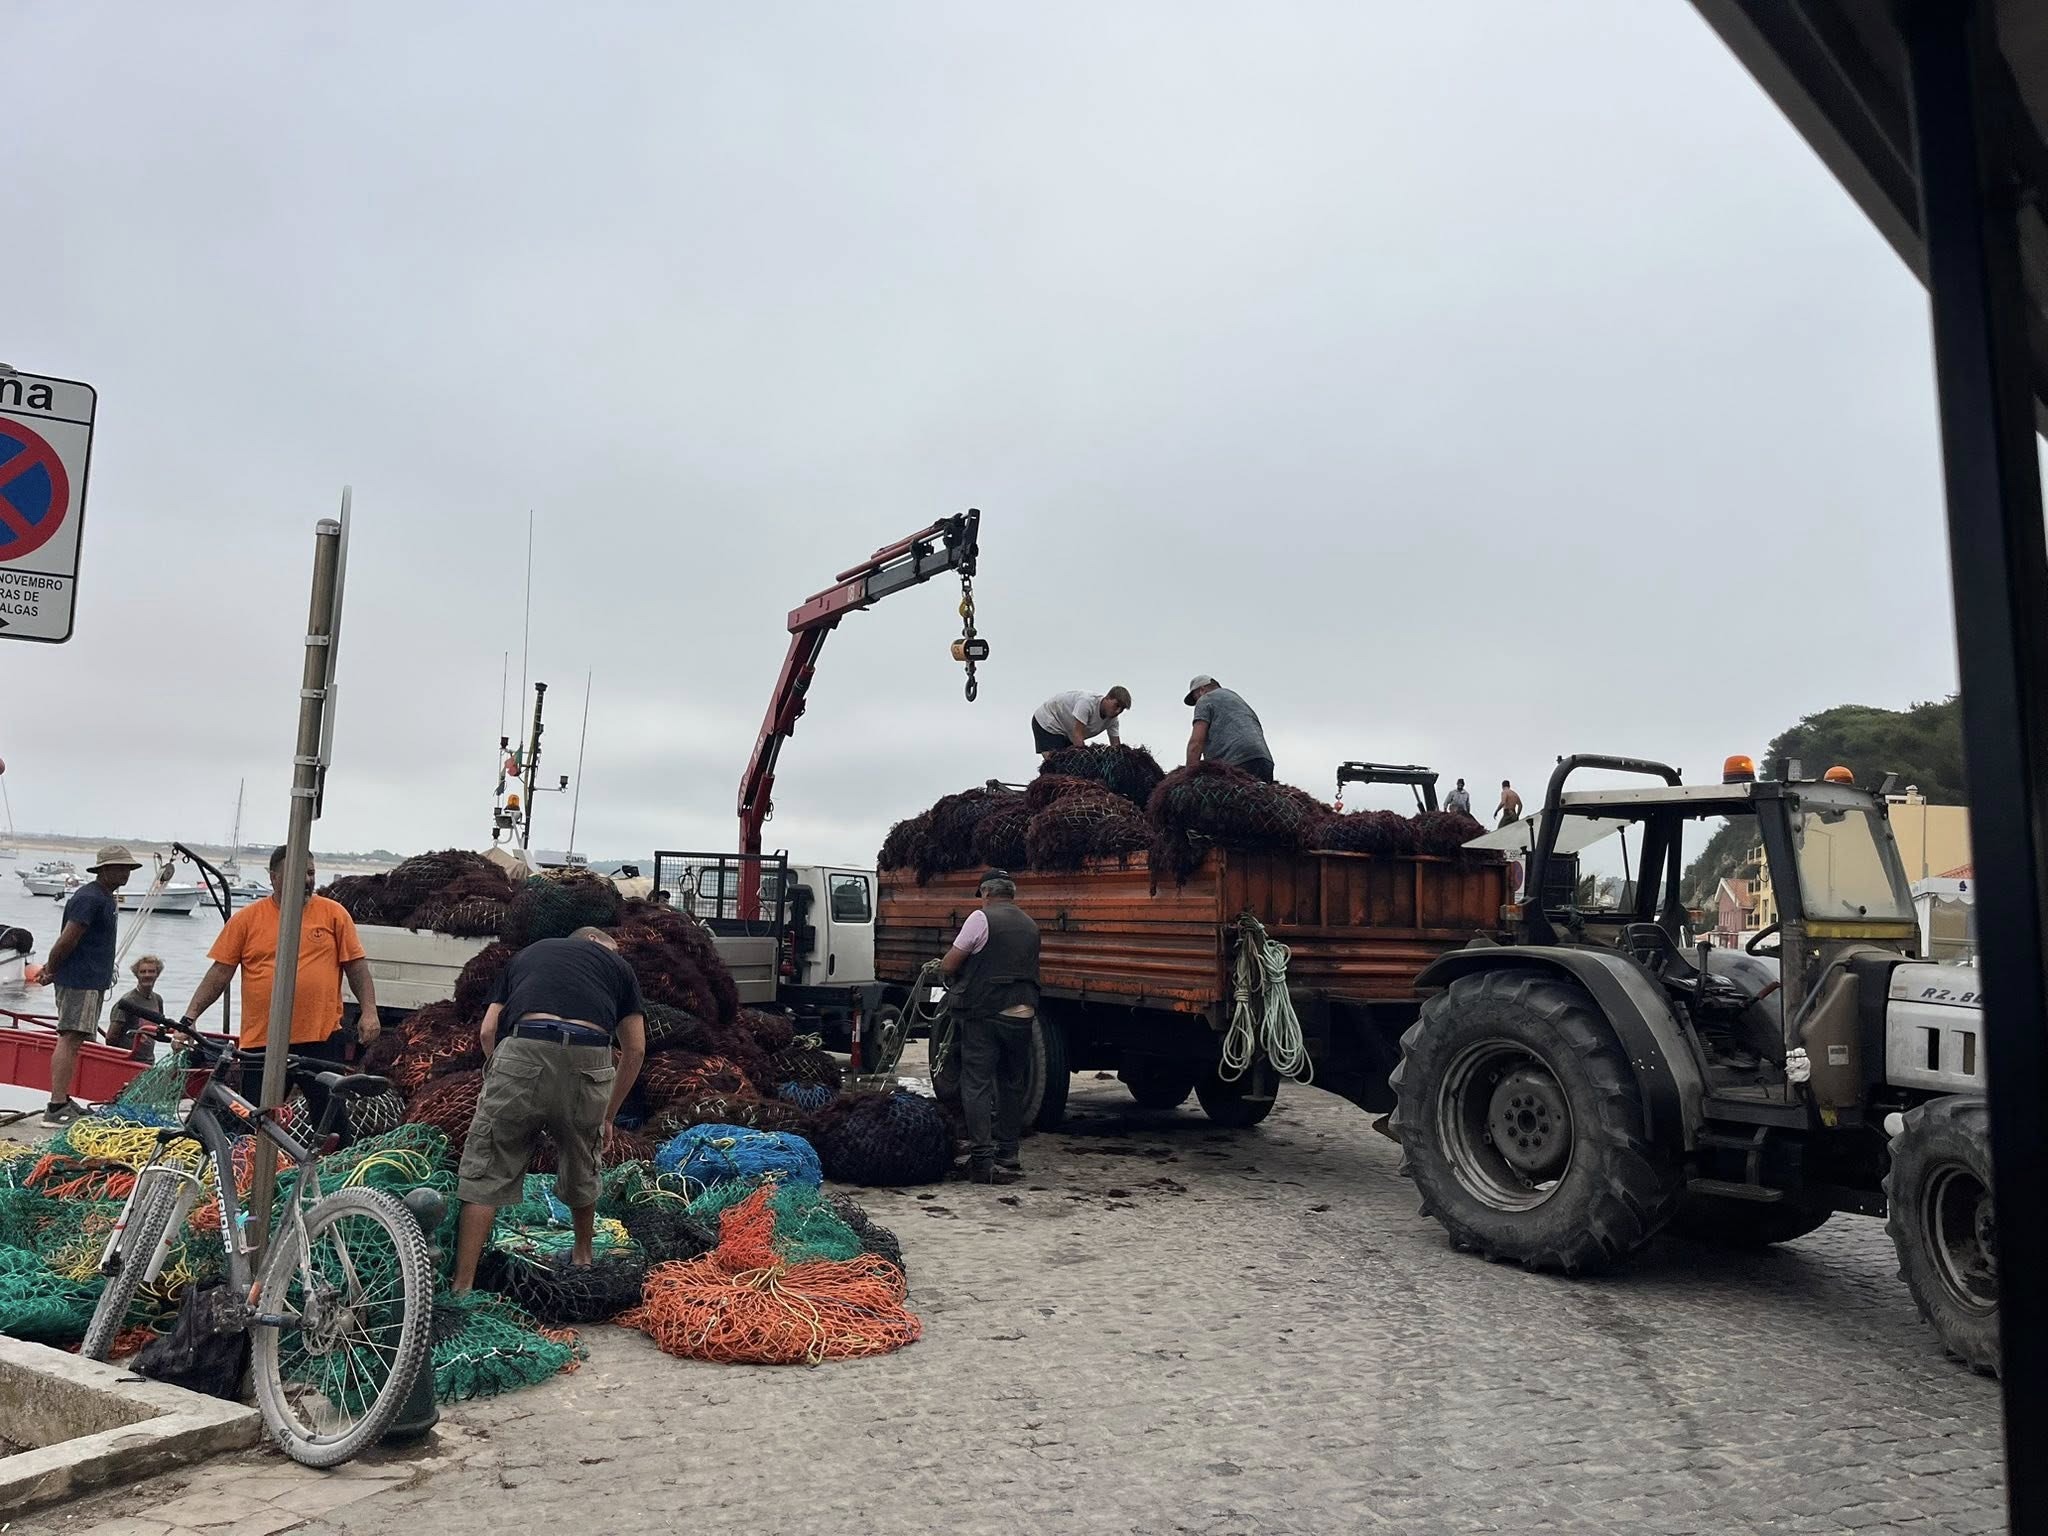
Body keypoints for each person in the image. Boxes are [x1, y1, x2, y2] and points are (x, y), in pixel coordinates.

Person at [451, 927, 647, 1288]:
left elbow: (487, 1030)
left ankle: (463, 1285)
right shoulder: (617, 967)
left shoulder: (529, 953)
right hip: (588, 1058)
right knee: (582, 1159)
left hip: (522, 1048)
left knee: (487, 1166)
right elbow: (635, 1049)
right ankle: (583, 1258)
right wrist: (608, 1116)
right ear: (592, 941)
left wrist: (503, 1073)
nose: (613, 954)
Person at [179, 845, 379, 1140]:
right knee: (255, 1123)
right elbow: (220, 973)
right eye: (298, 873)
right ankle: (255, 1167)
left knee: (332, 1125)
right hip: (263, 1042)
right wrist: (189, 1018)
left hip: (321, 1039)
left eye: (310, 873)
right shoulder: (248, 919)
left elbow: (357, 966)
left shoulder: (333, 914)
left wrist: (369, 1011)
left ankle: (333, 1168)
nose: (307, 880)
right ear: (274, 878)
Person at [941, 869, 1041, 1185]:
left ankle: (982, 1159)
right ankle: (1009, 1151)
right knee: (1012, 1082)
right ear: (1011, 893)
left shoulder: (980, 919)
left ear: (986, 892)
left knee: (977, 1083)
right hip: (1023, 1013)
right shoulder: (1030, 924)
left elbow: (951, 963)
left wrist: (945, 968)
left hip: (985, 1012)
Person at [37, 845, 142, 1127]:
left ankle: (62, 1099)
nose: (126, 872)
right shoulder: (90, 898)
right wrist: (51, 969)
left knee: (76, 1039)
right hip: (79, 980)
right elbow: (67, 939)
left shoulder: (105, 897)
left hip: (91, 980)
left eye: (128, 868)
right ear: (104, 869)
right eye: (120, 867)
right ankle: (56, 1105)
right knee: (70, 1037)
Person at [1182, 676, 1275, 783]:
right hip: (1265, 762)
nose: (1197, 702)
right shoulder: (1236, 699)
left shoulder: (1205, 699)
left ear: (1202, 690)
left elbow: (1196, 742)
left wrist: (1188, 777)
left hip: (1237, 762)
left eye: (1195, 698)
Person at [1032, 687, 1131, 756]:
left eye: (1122, 709)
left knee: (1068, 766)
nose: (1118, 711)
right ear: (1107, 698)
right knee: (1055, 763)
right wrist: (1084, 758)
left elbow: (1115, 746)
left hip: (1068, 733)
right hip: (1049, 722)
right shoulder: (1087, 703)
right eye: (1117, 705)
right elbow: (1077, 734)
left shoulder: (1113, 721)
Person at [106, 954, 167, 1063]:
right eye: (143, 972)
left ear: (157, 974)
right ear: (136, 975)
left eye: (151, 971)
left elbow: (159, 1028)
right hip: (128, 1059)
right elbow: (111, 1037)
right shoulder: (127, 1001)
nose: (147, 975)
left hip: (148, 1060)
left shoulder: (157, 999)